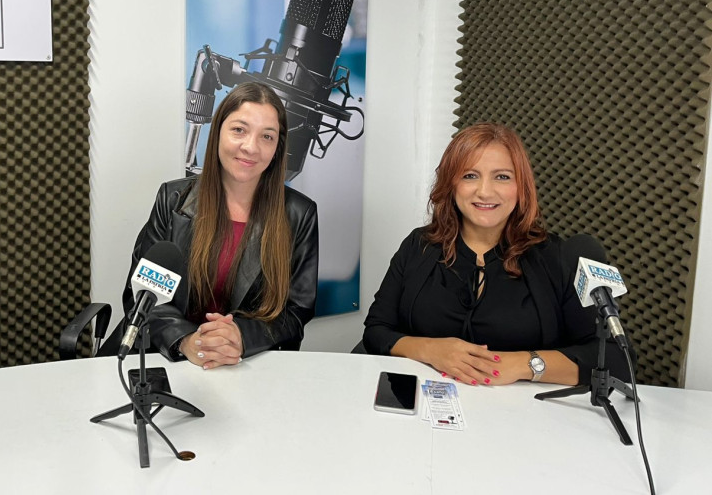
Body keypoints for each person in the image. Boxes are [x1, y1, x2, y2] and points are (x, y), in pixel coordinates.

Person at [363, 122, 630, 386]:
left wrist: (524, 364)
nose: (485, 191)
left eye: (502, 176)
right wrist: (431, 350)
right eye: (469, 175)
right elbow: (376, 331)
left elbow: (616, 360)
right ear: (451, 184)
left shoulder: (558, 258)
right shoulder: (418, 246)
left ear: (521, 185)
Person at [115, 82, 319, 369]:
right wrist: (187, 340)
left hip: (245, 365)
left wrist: (239, 336)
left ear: (277, 147)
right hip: (169, 361)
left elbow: (296, 311)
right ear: (218, 132)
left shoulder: (299, 214)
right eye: (239, 130)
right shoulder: (172, 200)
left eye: (267, 136)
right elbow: (143, 295)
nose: (251, 147)